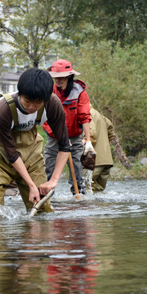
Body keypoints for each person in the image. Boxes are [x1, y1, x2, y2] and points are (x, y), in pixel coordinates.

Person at [0, 68, 71, 213]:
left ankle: (38, 235)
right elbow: (11, 154)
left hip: (30, 145)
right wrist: (31, 185)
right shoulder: (3, 109)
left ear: (46, 98)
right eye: (27, 101)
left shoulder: (53, 104)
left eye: (38, 102)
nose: (31, 107)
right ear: (20, 93)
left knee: (42, 204)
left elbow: (65, 146)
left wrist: (54, 180)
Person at [43, 59, 93, 195]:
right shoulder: (49, 91)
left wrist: (88, 141)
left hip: (74, 137)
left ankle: (79, 194)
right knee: (49, 165)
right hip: (54, 136)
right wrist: (56, 134)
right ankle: (48, 194)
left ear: (69, 76)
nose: (58, 81)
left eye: (61, 78)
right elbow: (43, 116)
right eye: (55, 78)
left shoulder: (80, 92)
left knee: (76, 167)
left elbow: (84, 116)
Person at [86, 106, 116, 192]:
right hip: (107, 160)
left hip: (94, 160)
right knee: (98, 191)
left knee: (86, 187)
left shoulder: (87, 113)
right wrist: (104, 144)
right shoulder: (99, 114)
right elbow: (111, 132)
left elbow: (91, 134)